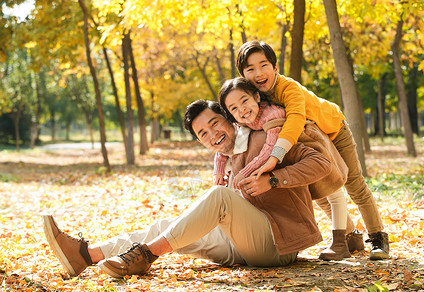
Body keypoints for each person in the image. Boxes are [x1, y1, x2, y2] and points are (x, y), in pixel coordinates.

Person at [43, 100, 338, 279]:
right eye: (203, 133)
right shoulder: (226, 158)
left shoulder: (269, 139)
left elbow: (321, 162)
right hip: (241, 242)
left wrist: (274, 179)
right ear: (200, 141)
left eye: (216, 123)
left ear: (229, 118)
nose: (213, 134)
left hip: (277, 243)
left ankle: (146, 255)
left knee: (218, 197)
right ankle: (85, 255)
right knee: (165, 225)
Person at [235, 40, 389, 260]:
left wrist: (274, 156)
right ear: (243, 74)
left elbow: (295, 119)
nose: (258, 73)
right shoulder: (252, 97)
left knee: (354, 184)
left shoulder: (289, 88)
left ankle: (378, 238)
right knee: (322, 192)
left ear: (275, 67)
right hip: (310, 140)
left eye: (263, 65)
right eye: (250, 69)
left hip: (334, 131)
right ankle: (349, 236)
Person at [214, 77, 351, 260]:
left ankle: (340, 242)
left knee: (333, 192)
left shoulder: (272, 115)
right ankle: (353, 235)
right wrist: (219, 171)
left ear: (256, 97)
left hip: (306, 143)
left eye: (244, 101)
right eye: (234, 109)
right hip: (287, 154)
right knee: (319, 196)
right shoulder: (243, 121)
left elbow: (269, 151)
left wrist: (244, 173)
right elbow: (222, 150)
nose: (242, 110)